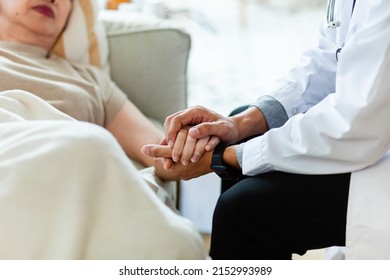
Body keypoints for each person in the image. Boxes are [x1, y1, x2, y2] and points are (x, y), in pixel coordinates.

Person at [142, 0, 390, 259]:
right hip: (365, 130)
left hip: (372, 147)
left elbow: (357, 123)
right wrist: (241, 124)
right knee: (241, 123)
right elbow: (330, 57)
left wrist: (228, 157)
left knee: (241, 213)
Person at [0, 0, 206, 259]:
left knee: (91, 145)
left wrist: (194, 141)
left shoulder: (91, 81)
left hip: (65, 166)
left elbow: (160, 150)